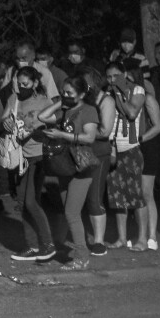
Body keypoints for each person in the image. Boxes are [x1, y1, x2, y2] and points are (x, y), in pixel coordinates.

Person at [38, 76, 100, 270]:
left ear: (82, 94)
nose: (66, 95)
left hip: (81, 165)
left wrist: (61, 135)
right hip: (66, 164)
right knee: (69, 211)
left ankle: (82, 257)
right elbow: (42, 117)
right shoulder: (66, 109)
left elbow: (89, 137)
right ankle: (77, 251)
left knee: (71, 213)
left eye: (69, 93)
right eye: (63, 92)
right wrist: (59, 104)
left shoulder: (88, 110)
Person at [2, 66, 56, 262]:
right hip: (20, 156)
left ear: (34, 84)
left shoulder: (43, 101)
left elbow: (52, 123)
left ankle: (48, 244)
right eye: (19, 83)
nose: (21, 87)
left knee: (31, 201)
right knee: (23, 202)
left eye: (26, 84)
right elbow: (4, 119)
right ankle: (32, 245)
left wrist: (35, 129)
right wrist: (6, 123)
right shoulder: (14, 99)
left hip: (39, 155)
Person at [104, 61, 149, 251]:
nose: (111, 80)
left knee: (136, 195)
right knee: (117, 196)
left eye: (115, 76)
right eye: (108, 77)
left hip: (130, 148)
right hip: (113, 148)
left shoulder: (137, 90)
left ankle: (142, 238)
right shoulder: (106, 94)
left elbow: (131, 113)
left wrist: (118, 96)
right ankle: (122, 238)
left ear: (123, 74)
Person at [78, 67, 115, 256]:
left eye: (86, 82)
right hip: (79, 152)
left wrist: (85, 133)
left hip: (99, 153)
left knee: (94, 197)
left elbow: (105, 131)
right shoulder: (80, 98)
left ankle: (99, 241)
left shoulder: (106, 101)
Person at [130, 68, 160, 250]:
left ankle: (151, 236)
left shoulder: (147, 98)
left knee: (146, 193)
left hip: (148, 144)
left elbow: (158, 126)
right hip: (130, 145)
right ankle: (138, 234)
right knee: (135, 193)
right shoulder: (123, 99)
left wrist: (140, 139)